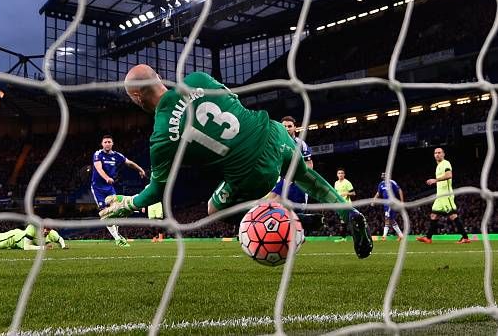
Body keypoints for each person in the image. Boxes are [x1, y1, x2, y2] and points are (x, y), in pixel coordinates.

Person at [100, 65, 373, 259]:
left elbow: (158, 190)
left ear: (136, 97)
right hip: (272, 130)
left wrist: (128, 203)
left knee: (213, 208)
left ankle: (291, 220)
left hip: (252, 172)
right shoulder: (198, 78)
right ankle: (349, 214)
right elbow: (233, 101)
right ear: (159, 78)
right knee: (305, 176)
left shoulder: (161, 136)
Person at [266, 116, 324, 233]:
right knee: (270, 204)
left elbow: (309, 163)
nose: (287, 129)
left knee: (296, 214)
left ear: (295, 128)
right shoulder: (276, 142)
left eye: (289, 126)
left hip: (298, 183)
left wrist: (300, 177)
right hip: (282, 179)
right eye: (284, 126)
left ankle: (306, 226)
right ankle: (271, 232)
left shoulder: (300, 144)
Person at [91, 135, 146, 247]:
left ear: (112, 143)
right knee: (105, 213)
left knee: (115, 211)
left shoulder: (117, 155)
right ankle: (117, 238)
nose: (107, 143)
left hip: (110, 188)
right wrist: (107, 178)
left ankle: (117, 236)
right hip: (98, 188)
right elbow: (98, 168)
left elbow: (129, 162)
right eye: (105, 142)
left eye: (109, 142)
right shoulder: (98, 154)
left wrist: (140, 169)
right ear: (102, 144)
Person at [416, 148, 470, 244]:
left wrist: (435, 180)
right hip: (440, 196)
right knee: (433, 215)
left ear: (443, 154)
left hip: (446, 195)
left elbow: (449, 175)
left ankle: (465, 237)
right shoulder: (438, 166)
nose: (437, 154)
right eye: (435, 153)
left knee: (453, 216)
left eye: (439, 152)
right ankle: (428, 238)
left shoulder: (446, 163)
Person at [371, 172, 405, 241]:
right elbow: (378, 193)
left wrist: (402, 201)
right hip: (385, 203)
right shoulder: (381, 184)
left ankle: (384, 236)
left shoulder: (392, 182)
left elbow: (399, 190)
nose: (383, 176)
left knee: (387, 218)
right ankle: (401, 235)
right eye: (382, 175)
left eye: (384, 174)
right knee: (392, 220)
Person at [333, 168, 355, 243]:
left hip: (347, 204)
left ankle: (353, 237)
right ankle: (343, 238)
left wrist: (346, 193)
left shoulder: (347, 182)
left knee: (349, 221)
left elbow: (353, 193)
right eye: (339, 173)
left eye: (342, 173)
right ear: (337, 174)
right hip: (340, 204)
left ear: (344, 174)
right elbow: (335, 193)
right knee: (343, 221)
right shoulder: (336, 183)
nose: (340, 174)